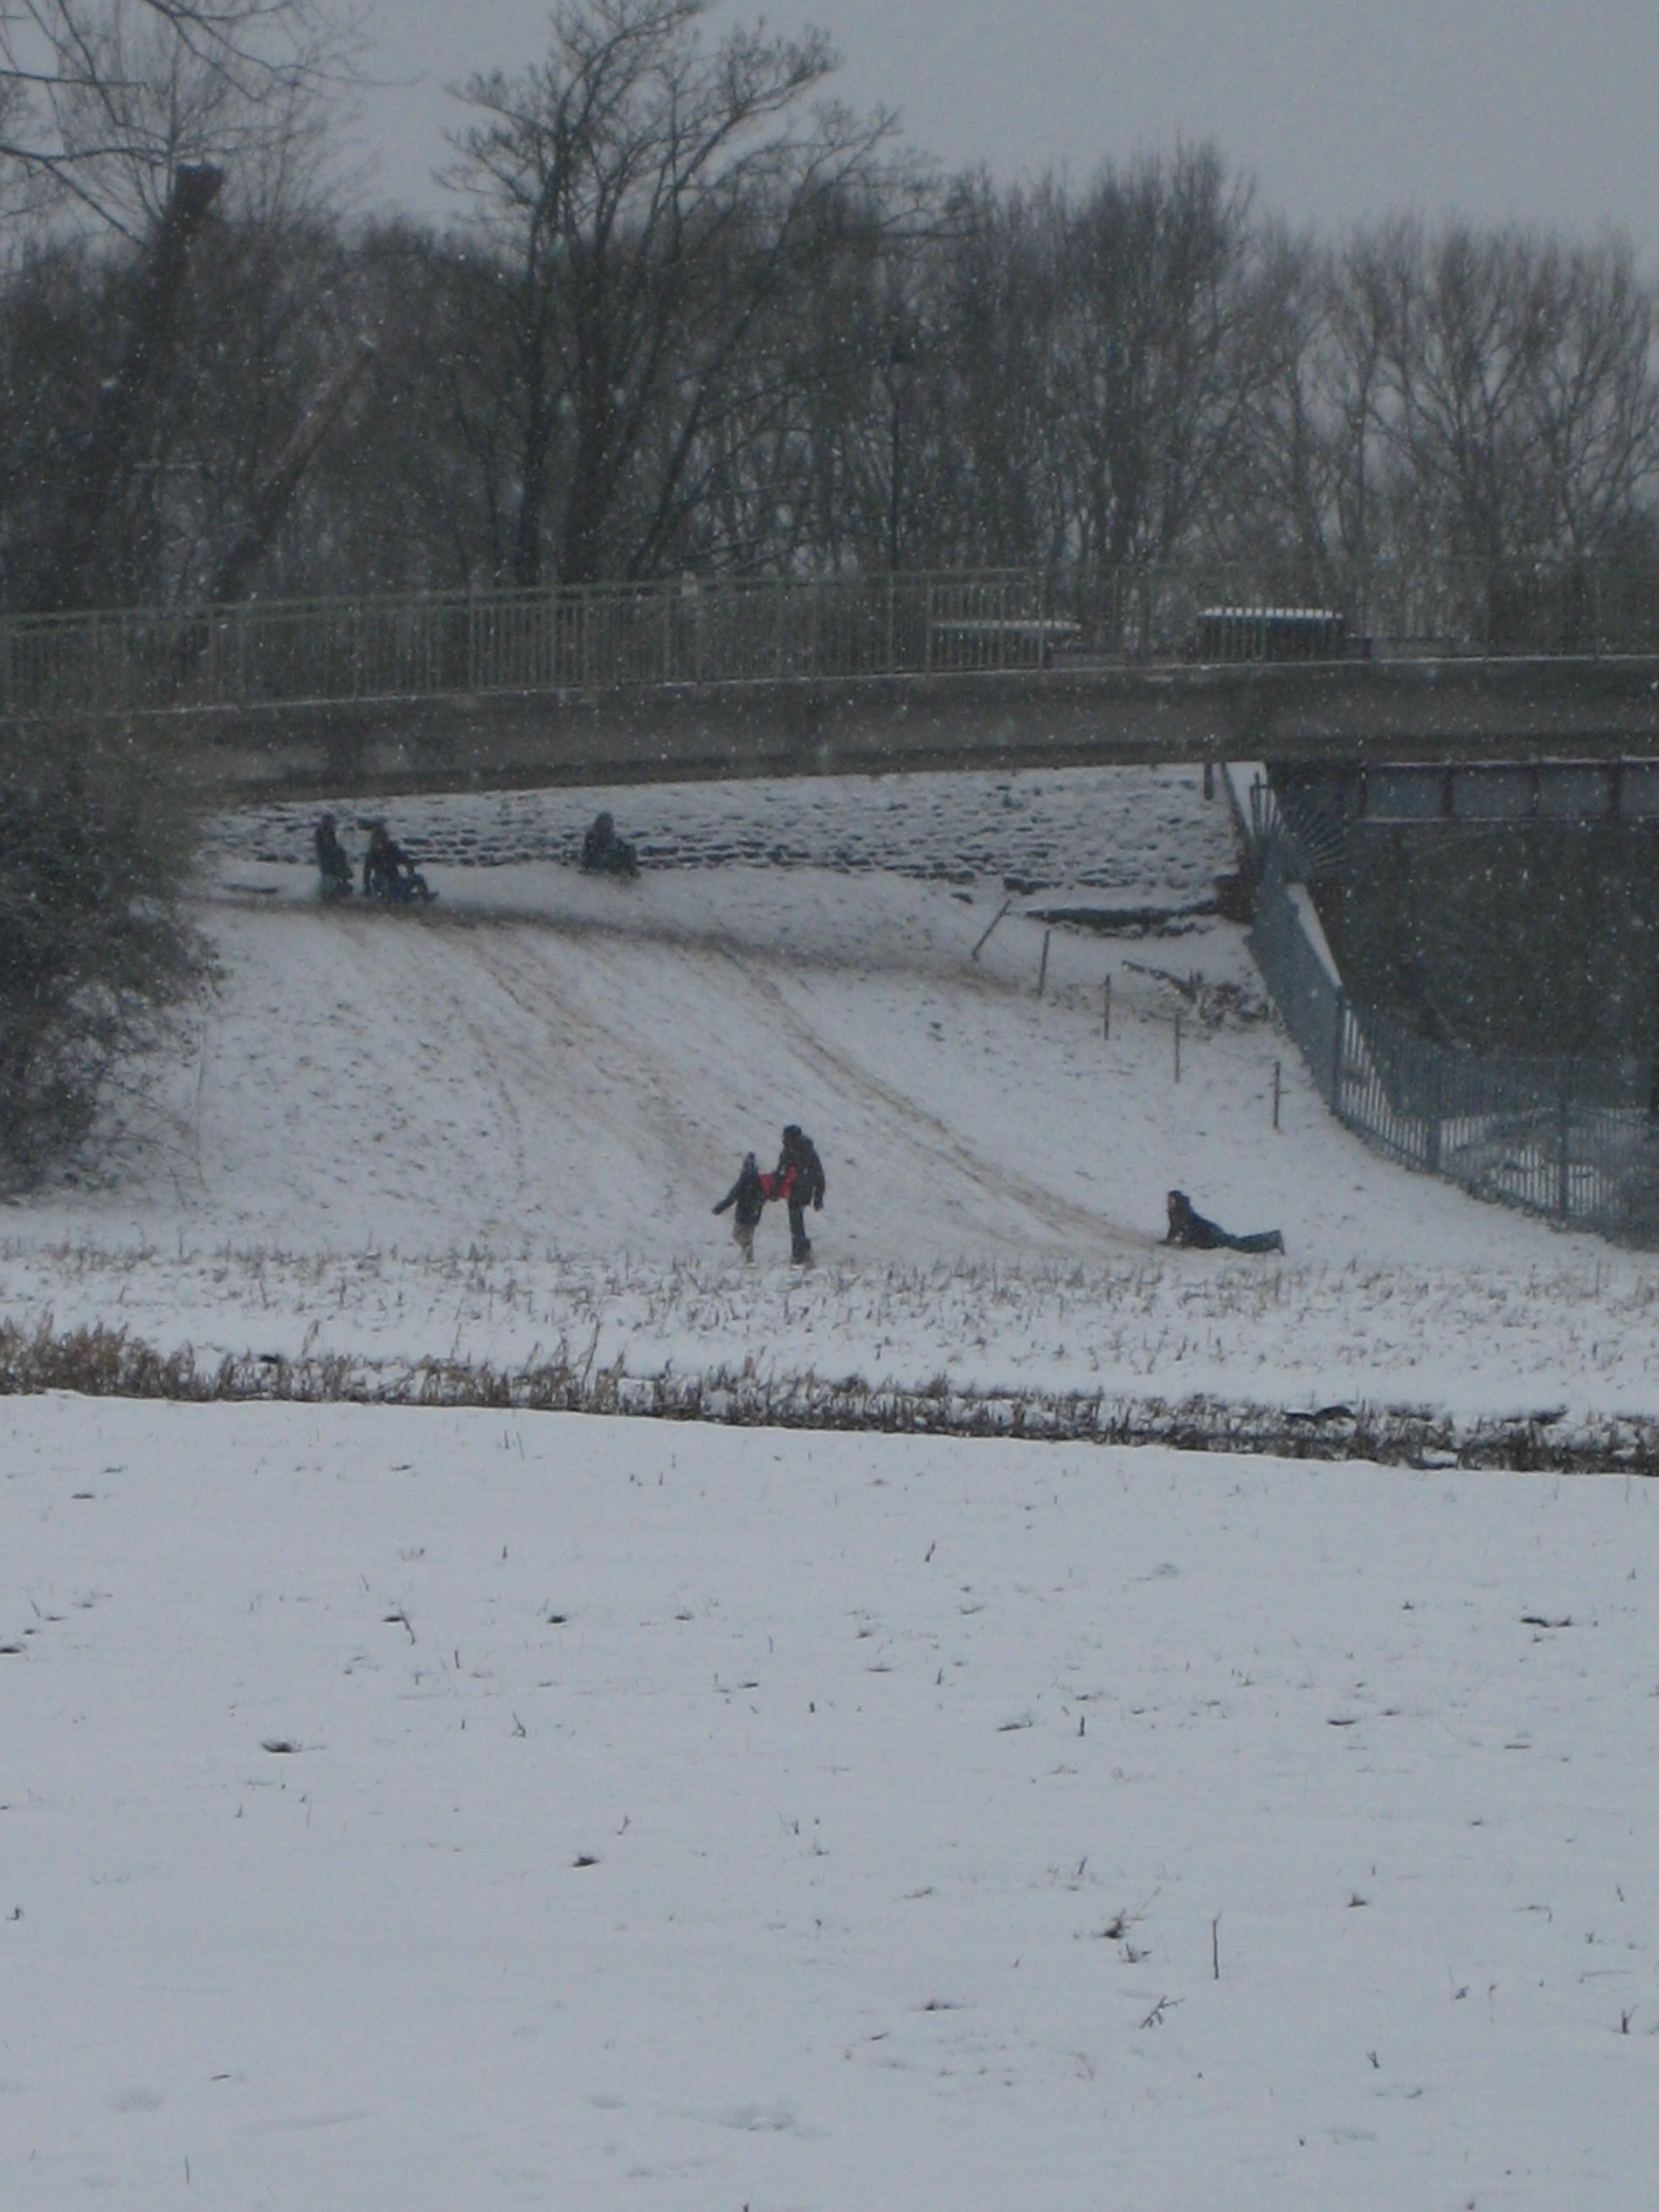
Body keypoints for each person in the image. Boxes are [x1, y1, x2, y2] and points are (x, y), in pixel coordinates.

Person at [1165, 1189, 1284, 1255]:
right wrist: (1169, 1240)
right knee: (1239, 1243)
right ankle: (1272, 1239)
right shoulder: (1176, 1212)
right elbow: (1175, 1228)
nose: (1168, 1203)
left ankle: (1273, 1240)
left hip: (1212, 1235)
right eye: (1168, 1200)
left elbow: (1188, 1229)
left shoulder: (1183, 1213)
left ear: (1177, 1202)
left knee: (1241, 1246)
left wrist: (1184, 1244)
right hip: (1210, 1234)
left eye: (1171, 1201)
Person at [775, 1124, 826, 1264]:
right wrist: (818, 1197)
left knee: (795, 1222)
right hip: (804, 1191)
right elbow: (819, 1175)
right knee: (797, 1221)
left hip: (796, 1191)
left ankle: (800, 1253)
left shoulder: (790, 1151)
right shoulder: (808, 1150)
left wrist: (776, 1189)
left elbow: (781, 1172)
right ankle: (801, 1252)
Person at [712, 1151, 769, 1262]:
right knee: (748, 1236)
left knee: (737, 1235)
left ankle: (748, 1255)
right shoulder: (759, 1182)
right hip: (754, 1214)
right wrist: (758, 1208)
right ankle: (749, 1259)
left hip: (743, 1213)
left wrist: (720, 1208)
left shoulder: (743, 1181)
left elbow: (732, 1197)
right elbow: (764, 1197)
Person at [362, 822, 433, 905]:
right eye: (377, 842)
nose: (380, 845)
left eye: (382, 841)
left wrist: (411, 874)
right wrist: (367, 887)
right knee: (385, 887)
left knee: (419, 878)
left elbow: (407, 860)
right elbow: (367, 872)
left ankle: (425, 898)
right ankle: (394, 900)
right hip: (381, 883)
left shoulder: (392, 850)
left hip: (396, 880)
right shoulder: (371, 855)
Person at [580, 810, 639, 878]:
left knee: (629, 848)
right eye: (602, 824)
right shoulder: (592, 836)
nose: (604, 826)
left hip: (609, 856)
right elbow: (586, 857)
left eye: (606, 824)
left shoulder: (614, 838)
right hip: (600, 859)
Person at [313, 812, 353, 902]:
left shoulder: (330, 836)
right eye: (332, 823)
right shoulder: (323, 837)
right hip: (328, 868)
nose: (334, 826)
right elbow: (327, 854)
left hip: (332, 868)